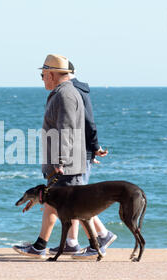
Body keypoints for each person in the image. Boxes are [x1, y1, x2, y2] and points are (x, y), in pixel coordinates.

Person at [12, 54, 86, 259]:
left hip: (65, 164)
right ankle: (86, 241)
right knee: (71, 206)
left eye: (43, 75)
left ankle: (40, 246)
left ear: (52, 74)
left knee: (56, 204)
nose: (43, 79)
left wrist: (60, 161)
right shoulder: (63, 93)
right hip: (65, 163)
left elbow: (66, 129)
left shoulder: (65, 95)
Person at [49, 61, 118, 259]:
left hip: (77, 152)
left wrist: (93, 148)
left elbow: (87, 122)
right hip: (80, 150)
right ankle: (72, 242)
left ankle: (102, 236)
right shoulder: (75, 90)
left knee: (77, 201)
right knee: (74, 200)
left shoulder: (73, 91)